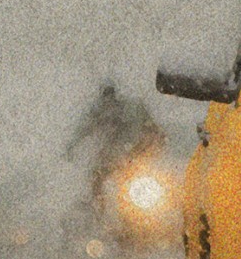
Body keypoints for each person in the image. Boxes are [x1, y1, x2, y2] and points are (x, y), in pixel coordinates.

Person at [66, 82, 166, 214]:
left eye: (111, 103)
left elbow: (154, 132)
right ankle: (99, 212)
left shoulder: (133, 111)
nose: (109, 111)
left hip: (134, 161)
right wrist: (72, 146)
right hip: (110, 160)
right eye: (106, 104)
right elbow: (84, 130)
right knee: (97, 182)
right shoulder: (98, 114)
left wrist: (152, 144)